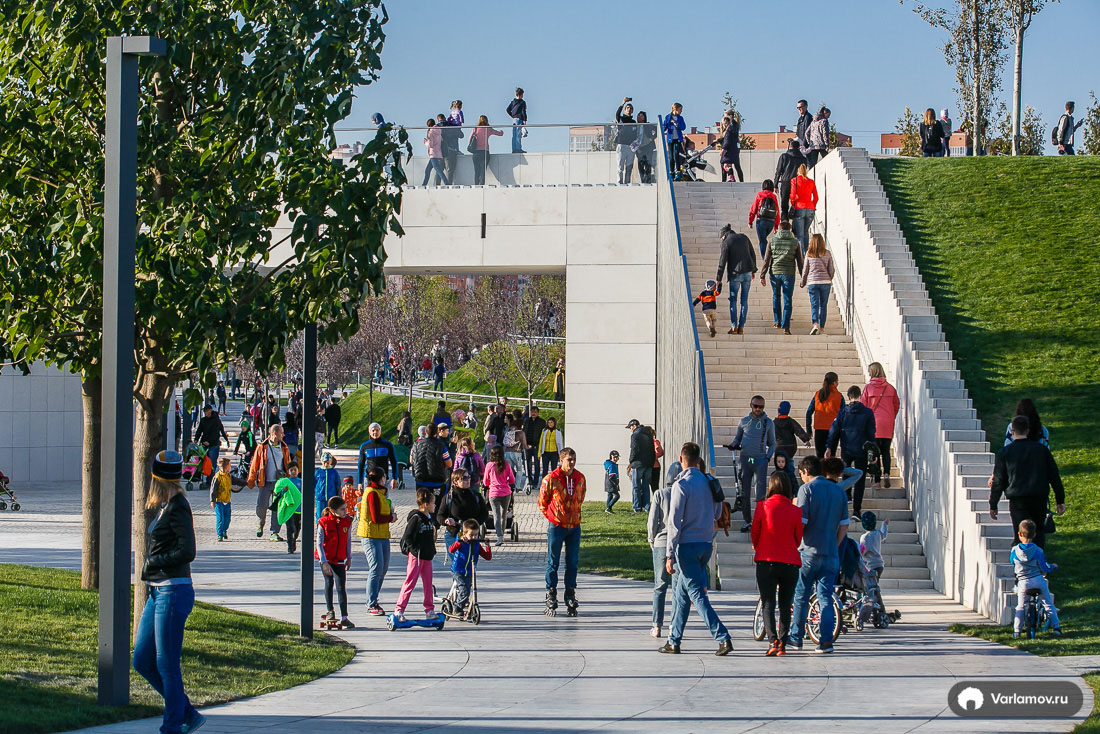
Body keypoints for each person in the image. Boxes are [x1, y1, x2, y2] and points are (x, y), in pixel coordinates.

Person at [133, 450, 204, 734]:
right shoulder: (165, 506)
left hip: (173, 591)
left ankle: (172, 726)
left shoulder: (178, 506)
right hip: (157, 592)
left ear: (157, 479)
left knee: (166, 663)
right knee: (142, 660)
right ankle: (187, 713)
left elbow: (188, 551)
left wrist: (153, 562)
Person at [658, 441, 733, 656]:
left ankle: (723, 637)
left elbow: (674, 523)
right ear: (698, 460)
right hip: (706, 544)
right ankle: (674, 641)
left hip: (687, 547)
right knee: (682, 594)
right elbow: (719, 513)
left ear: (682, 460)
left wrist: (669, 554)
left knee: (697, 595)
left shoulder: (682, 485)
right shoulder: (710, 482)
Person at [788, 455, 849, 653]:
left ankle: (796, 637)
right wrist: (835, 544)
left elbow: (801, 522)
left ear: (806, 472)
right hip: (831, 552)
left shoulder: (806, 489)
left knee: (801, 595)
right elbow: (844, 525)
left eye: (801, 474)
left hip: (809, 551)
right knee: (825, 597)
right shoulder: (838, 491)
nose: (801, 477)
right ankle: (826, 641)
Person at [990, 415, 1066, 550]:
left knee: (1020, 534)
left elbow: (999, 480)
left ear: (1012, 432)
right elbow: (1054, 476)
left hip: (1017, 499)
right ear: (1028, 430)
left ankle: (1020, 567)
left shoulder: (1005, 452)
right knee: (1039, 532)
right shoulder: (1041, 450)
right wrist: (1060, 500)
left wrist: (993, 504)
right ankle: (1039, 566)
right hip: (1039, 497)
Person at [751, 472, 803, 655]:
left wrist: (759, 546)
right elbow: (798, 539)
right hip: (790, 562)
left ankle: (772, 641)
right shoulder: (796, 511)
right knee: (785, 604)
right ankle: (783, 642)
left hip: (766, 560)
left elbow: (755, 532)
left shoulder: (762, 507)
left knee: (768, 603)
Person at [539, 446, 586, 617]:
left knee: (572, 562)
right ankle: (550, 593)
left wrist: (574, 514)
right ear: (561, 460)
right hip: (557, 526)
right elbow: (542, 502)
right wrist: (553, 516)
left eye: (574, 459)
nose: (572, 463)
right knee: (553, 561)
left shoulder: (579, 478)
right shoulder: (551, 479)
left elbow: (581, 497)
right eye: (569, 460)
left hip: (574, 526)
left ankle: (570, 593)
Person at [726, 396, 776, 531]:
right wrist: (733, 444)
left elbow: (772, 443)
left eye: (761, 407)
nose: (758, 409)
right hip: (745, 459)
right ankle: (747, 520)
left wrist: (767, 457)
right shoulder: (743, 421)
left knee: (760, 493)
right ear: (751, 405)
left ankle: (760, 521)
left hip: (760, 460)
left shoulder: (768, 423)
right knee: (745, 493)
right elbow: (738, 438)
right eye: (756, 406)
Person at [826, 385, 877, 519]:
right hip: (862, 449)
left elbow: (834, 431)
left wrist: (830, 447)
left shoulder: (843, 412)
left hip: (846, 448)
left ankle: (847, 496)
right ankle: (857, 510)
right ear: (860, 396)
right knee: (860, 478)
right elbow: (871, 434)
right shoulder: (868, 413)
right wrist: (873, 454)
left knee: (845, 473)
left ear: (848, 397)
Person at [1010, 519, 1061, 638]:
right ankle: (1056, 627)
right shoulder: (1038, 551)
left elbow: (1012, 562)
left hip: (1023, 582)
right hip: (1038, 580)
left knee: (1021, 606)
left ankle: (1017, 631)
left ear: (1019, 534)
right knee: (1048, 604)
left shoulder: (1014, 551)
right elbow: (1044, 567)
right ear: (1034, 534)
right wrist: (1053, 567)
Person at [395, 489, 439, 623]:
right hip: (417, 557)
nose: (435, 505)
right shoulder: (417, 518)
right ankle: (399, 610)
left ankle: (429, 610)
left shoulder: (429, 519)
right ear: (425, 504)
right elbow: (407, 536)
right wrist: (415, 550)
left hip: (427, 557)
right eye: (433, 503)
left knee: (428, 584)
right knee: (410, 582)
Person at [357, 466, 395, 616]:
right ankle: (371, 603)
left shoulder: (380, 492)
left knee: (383, 568)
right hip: (370, 535)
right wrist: (391, 518)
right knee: (376, 567)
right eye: (385, 476)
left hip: (382, 535)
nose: (386, 479)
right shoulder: (372, 493)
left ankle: (374, 597)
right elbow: (376, 517)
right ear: (381, 478)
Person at [759, 217, 804, 335]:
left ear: (779, 229)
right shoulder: (795, 242)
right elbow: (800, 261)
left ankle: (777, 321)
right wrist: (803, 277)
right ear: (790, 229)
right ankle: (786, 326)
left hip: (774, 273)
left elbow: (767, 259)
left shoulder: (772, 241)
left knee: (776, 296)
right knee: (787, 299)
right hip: (788, 274)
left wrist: (762, 275)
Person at [317, 496, 355, 630]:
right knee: (329, 583)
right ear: (333, 510)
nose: (346, 511)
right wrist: (323, 562)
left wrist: (349, 557)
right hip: (327, 559)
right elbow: (319, 543)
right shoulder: (323, 522)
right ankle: (330, 611)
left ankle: (344, 617)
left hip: (339, 559)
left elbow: (348, 540)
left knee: (341, 587)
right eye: (342, 509)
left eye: (345, 509)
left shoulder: (347, 522)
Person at [247, 424, 290, 541]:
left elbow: (288, 465)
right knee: (262, 506)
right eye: (282, 433)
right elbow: (254, 464)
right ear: (275, 433)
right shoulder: (262, 447)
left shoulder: (284, 448)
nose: (284, 435)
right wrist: (251, 480)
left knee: (277, 508)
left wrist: (290, 482)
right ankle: (261, 522)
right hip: (264, 482)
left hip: (279, 483)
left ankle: (275, 532)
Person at [863, 362, 900, 489]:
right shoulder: (890, 388)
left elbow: (864, 407)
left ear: (872, 372)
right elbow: (896, 405)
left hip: (875, 424)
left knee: (875, 453)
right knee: (886, 451)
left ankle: (877, 481)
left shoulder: (868, 388)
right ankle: (887, 474)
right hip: (888, 423)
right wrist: (890, 416)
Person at [437, 466, 488, 561]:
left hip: (471, 535)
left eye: (468, 477)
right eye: (464, 478)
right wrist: (446, 521)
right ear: (455, 481)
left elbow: (484, 513)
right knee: (458, 564)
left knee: (470, 563)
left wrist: (475, 524)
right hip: (454, 534)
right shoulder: (449, 497)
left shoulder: (475, 495)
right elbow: (440, 515)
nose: (468, 480)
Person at [714, 223, 756, 335]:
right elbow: (752, 254)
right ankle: (741, 327)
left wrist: (718, 279)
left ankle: (734, 326)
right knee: (744, 301)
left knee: (733, 300)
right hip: (747, 272)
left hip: (735, 274)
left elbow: (722, 262)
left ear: (724, 235)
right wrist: (754, 270)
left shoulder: (726, 242)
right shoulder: (744, 237)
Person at [449, 518, 493, 613]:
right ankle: (457, 608)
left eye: (476, 535)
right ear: (464, 534)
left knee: (468, 591)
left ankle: (464, 605)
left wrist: (488, 546)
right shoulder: (461, 542)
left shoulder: (476, 545)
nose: (474, 537)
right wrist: (459, 542)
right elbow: (451, 550)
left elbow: (487, 557)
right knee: (465, 591)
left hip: (470, 571)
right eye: (471, 535)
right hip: (458, 570)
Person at [647, 474, 672, 638]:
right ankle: (674, 626)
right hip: (679, 543)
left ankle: (657, 626)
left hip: (661, 542)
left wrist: (651, 539)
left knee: (660, 585)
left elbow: (652, 521)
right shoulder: (684, 492)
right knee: (677, 589)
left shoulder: (660, 494)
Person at [800, 233, 835, 335]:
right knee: (823, 305)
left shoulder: (808, 253)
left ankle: (815, 324)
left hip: (813, 282)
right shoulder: (827, 253)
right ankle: (822, 328)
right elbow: (831, 270)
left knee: (814, 304)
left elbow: (805, 269)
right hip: (825, 282)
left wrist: (803, 281)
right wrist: (829, 278)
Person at [858, 510, 889, 623]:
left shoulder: (864, 538)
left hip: (870, 566)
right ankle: (878, 610)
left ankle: (880, 610)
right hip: (879, 565)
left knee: (872, 589)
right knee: (874, 588)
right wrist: (884, 525)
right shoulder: (877, 533)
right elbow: (884, 535)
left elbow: (862, 552)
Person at [410, 423, 452, 506]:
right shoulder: (441, 446)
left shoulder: (416, 444)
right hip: (437, 482)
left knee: (422, 506)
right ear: (437, 432)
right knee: (436, 506)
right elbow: (449, 463)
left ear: (426, 431)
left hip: (420, 481)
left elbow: (411, 460)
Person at [483, 446, 516, 547]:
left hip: (493, 493)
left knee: (496, 515)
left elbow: (485, 481)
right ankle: (502, 535)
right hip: (506, 492)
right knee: (504, 514)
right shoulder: (507, 465)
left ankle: (499, 536)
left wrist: (490, 484)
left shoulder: (489, 466)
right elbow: (512, 480)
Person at [806, 372, 844, 458]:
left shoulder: (818, 394)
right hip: (833, 429)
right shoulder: (839, 396)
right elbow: (844, 414)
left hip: (819, 428)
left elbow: (809, 412)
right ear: (834, 382)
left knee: (820, 456)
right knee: (831, 456)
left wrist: (809, 430)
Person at [357, 422, 401, 490]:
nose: (375, 432)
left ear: (380, 431)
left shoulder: (388, 445)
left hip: (382, 479)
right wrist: (359, 482)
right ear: (369, 432)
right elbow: (361, 464)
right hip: (369, 479)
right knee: (370, 499)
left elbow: (394, 462)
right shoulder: (364, 446)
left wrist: (394, 478)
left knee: (382, 499)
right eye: (373, 430)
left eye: (377, 430)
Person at [626, 419, 656, 513]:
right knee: (645, 486)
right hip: (648, 464)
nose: (630, 429)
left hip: (637, 464)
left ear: (634, 425)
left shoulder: (635, 435)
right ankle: (647, 507)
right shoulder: (649, 434)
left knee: (636, 486)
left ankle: (637, 507)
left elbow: (634, 449)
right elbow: (652, 450)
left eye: (630, 427)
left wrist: (631, 461)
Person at [194, 404, 228, 487]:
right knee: (202, 463)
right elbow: (199, 431)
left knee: (212, 464)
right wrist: (196, 439)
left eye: (206, 411)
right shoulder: (203, 420)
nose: (205, 413)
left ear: (210, 411)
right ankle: (203, 479)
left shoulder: (216, 420)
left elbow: (218, 433)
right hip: (204, 444)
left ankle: (210, 482)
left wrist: (226, 440)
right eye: (204, 411)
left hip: (213, 445)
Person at [273, 462, 303, 553]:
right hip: (289, 510)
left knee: (297, 529)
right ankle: (290, 546)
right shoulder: (285, 482)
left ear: (298, 470)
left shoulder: (301, 482)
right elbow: (277, 494)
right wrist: (283, 491)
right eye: (291, 470)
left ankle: (293, 540)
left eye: (295, 470)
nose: (293, 472)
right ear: (288, 471)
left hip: (299, 510)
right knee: (290, 528)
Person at [789, 164, 819, 254]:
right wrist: (812, 205)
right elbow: (816, 197)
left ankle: (802, 256)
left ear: (798, 171)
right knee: (805, 232)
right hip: (810, 209)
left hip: (799, 208)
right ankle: (806, 254)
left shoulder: (795, 180)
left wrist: (793, 203)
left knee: (800, 235)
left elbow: (792, 195)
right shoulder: (811, 181)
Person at [773, 139, 807, 218]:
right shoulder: (803, 159)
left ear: (790, 146)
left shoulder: (784, 156)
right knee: (796, 205)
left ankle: (784, 224)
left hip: (785, 183)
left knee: (784, 206)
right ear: (799, 148)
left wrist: (775, 185)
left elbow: (778, 171)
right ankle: (796, 225)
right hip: (798, 184)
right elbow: (804, 173)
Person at [209, 456, 240, 541]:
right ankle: (220, 534)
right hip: (218, 501)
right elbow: (213, 489)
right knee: (220, 518)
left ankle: (224, 530)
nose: (230, 467)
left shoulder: (229, 475)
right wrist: (212, 500)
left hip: (227, 501)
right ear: (226, 466)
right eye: (229, 465)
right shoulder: (217, 477)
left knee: (227, 518)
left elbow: (237, 481)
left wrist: (246, 483)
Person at [748, 180, 780, 259]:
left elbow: (753, 209)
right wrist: (776, 226)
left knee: (762, 240)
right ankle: (769, 255)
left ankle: (765, 258)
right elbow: (777, 212)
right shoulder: (774, 196)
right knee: (764, 239)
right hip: (771, 222)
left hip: (761, 221)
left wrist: (750, 221)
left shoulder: (760, 195)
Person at [469, 115, 503, 185]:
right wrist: (501, 131)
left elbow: (469, 140)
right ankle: (481, 185)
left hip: (476, 153)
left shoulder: (475, 129)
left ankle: (476, 185)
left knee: (477, 171)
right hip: (485, 152)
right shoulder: (488, 129)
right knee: (483, 171)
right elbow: (499, 134)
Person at [523, 406, 547, 491]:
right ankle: (529, 480)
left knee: (537, 464)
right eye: (532, 412)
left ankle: (536, 482)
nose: (533, 413)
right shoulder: (527, 421)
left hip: (537, 445)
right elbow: (524, 432)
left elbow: (543, 435)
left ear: (538, 413)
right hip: (527, 445)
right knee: (527, 464)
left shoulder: (542, 422)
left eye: (535, 412)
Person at [614, 97, 638, 184]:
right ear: (625, 110)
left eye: (631, 108)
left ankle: (627, 182)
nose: (629, 110)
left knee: (629, 167)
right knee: (620, 167)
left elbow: (635, 134)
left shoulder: (633, 121)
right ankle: (619, 182)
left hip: (630, 147)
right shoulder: (621, 119)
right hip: (622, 145)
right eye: (627, 108)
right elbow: (617, 115)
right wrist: (623, 103)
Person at [314, 451, 341, 522]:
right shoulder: (318, 472)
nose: (326, 464)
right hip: (320, 497)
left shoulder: (334, 472)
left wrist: (338, 496)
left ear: (331, 462)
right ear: (321, 461)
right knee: (320, 514)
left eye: (328, 463)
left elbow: (338, 484)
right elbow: (314, 483)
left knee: (331, 514)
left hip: (331, 497)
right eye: (324, 462)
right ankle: (320, 527)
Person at [503, 414, 528, 493]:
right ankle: (517, 486)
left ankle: (508, 485)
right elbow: (525, 445)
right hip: (516, 452)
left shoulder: (509, 431)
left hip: (507, 452)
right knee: (519, 469)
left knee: (509, 469)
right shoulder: (520, 433)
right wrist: (529, 447)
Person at [422, 119, 449, 186]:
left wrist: (425, 142)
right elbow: (441, 140)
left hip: (433, 153)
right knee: (427, 170)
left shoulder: (431, 132)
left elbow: (431, 145)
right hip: (438, 152)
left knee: (438, 170)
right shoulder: (439, 130)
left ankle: (447, 183)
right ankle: (424, 184)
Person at [717, 113, 743, 182]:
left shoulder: (729, 130)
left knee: (725, 165)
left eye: (725, 123)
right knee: (734, 166)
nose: (724, 125)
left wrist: (723, 150)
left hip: (728, 152)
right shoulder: (734, 128)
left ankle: (729, 178)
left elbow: (727, 141)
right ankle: (733, 178)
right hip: (734, 151)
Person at [635, 111, 659, 183]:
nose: (640, 117)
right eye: (638, 116)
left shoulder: (648, 125)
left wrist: (652, 138)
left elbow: (657, 130)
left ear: (644, 117)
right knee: (640, 164)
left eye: (642, 116)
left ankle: (647, 180)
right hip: (639, 147)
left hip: (648, 146)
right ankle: (643, 180)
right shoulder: (634, 125)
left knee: (648, 163)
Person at [663, 103, 686, 170]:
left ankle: (678, 171)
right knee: (671, 157)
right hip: (670, 139)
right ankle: (671, 171)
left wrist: (677, 124)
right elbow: (665, 127)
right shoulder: (668, 117)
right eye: (680, 109)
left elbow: (683, 127)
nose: (681, 111)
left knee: (676, 155)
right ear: (675, 109)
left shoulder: (680, 118)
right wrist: (663, 127)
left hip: (677, 139)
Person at [507, 87, 527, 154]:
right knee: (518, 134)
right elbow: (523, 111)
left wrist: (512, 116)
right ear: (521, 95)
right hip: (519, 119)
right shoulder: (522, 102)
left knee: (514, 135)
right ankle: (518, 149)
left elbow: (507, 110)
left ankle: (514, 149)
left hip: (514, 120)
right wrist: (525, 120)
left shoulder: (513, 102)